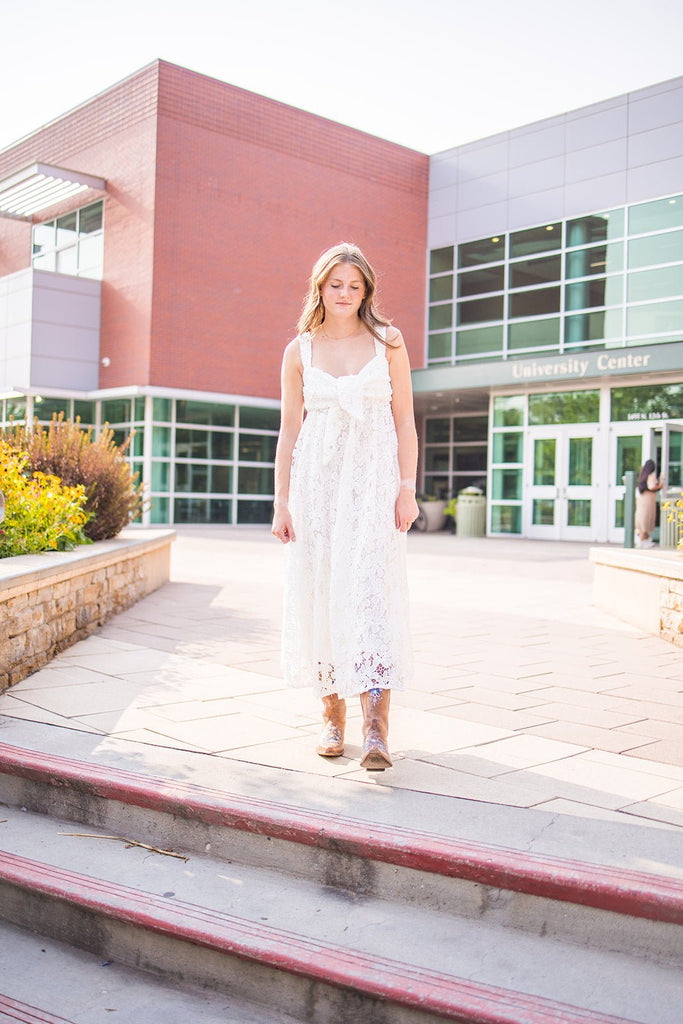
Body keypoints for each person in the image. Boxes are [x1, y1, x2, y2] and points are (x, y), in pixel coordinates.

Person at [271, 243, 418, 770]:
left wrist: (407, 486)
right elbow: (290, 429)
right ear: (320, 287)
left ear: (367, 291)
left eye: (355, 286)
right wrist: (281, 501)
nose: (345, 294)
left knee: (370, 595)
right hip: (317, 487)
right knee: (322, 592)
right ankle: (332, 718)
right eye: (336, 284)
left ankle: (376, 728)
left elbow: (404, 420)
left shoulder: (389, 343)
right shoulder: (299, 351)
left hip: (374, 485)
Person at [635, 459, 663, 548]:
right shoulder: (651, 476)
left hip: (641, 501)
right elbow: (652, 487)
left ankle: (644, 540)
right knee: (646, 520)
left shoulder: (642, 476)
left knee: (642, 520)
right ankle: (642, 541)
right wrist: (660, 485)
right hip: (648, 502)